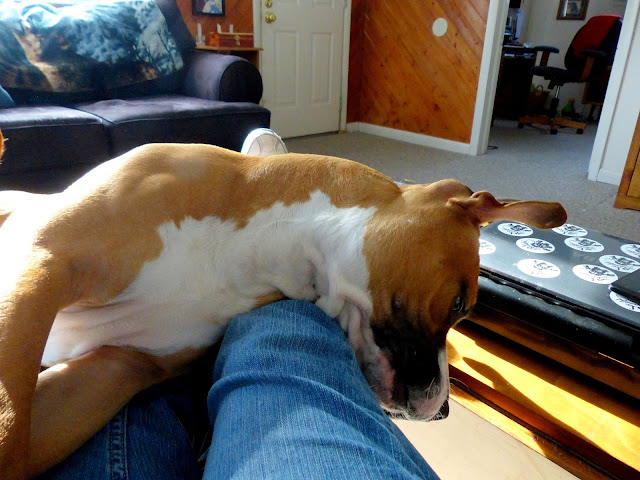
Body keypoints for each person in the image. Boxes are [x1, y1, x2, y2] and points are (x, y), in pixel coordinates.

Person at [5, 130, 439, 479]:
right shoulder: (161, 185)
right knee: (283, 332)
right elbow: (44, 262)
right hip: (32, 256)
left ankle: (288, 242)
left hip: (128, 351)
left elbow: (121, 369)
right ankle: (286, 221)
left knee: (149, 381)